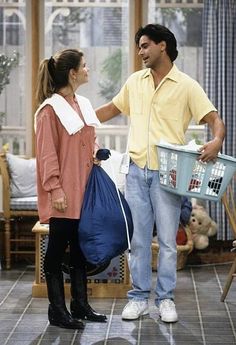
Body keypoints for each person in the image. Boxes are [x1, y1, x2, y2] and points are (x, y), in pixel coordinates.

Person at [95, 24, 225, 323]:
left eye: (144, 46)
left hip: (169, 174)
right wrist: (76, 115)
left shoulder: (187, 85)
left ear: (162, 46)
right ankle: (139, 298)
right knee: (139, 240)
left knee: (167, 241)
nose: (140, 52)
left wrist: (217, 140)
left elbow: (215, 120)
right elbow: (110, 109)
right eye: (139, 47)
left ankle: (165, 299)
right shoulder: (134, 82)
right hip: (136, 171)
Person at [35, 48, 107, 330]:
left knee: (79, 249)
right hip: (63, 195)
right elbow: (47, 155)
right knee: (55, 252)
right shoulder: (49, 111)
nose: (88, 70)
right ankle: (57, 311)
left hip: (84, 192)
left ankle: (80, 305)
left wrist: (98, 152)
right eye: (85, 66)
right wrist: (55, 190)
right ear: (73, 73)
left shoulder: (82, 104)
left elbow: (89, 140)